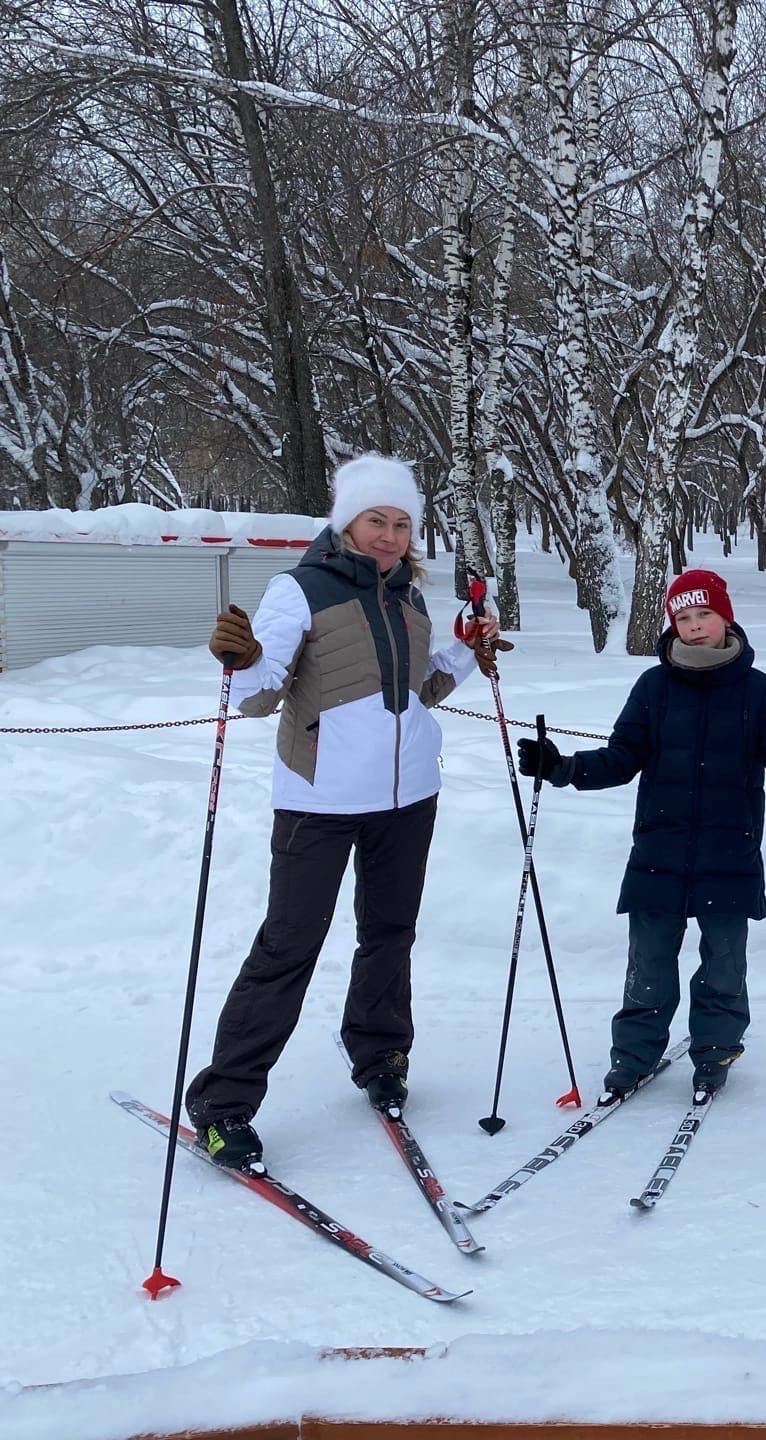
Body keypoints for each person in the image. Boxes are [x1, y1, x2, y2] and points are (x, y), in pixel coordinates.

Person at [185, 455, 504, 1170]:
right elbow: (259, 689)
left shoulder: (408, 599)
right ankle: (222, 1103)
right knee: (288, 946)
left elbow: (417, 689)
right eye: (376, 521)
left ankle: (380, 1052)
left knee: (389, 933)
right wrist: (239, 656)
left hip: (408, 797)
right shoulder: (299, 589)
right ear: (347, 522)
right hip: (319, 801)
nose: (390, 535)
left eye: (401, 524)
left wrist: (465, 652)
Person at [515, 568, 766, 1102]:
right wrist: (561, 766)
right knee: (648, 962)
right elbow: (622, 756)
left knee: (723, 961)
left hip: (730, 848)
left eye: (704, 614)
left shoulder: (758, 690)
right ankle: (634, 1056)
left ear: (726, 618)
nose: (694, 626)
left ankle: (716, 1050)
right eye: (683, 617)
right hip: (660, 848)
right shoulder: (653, 686)